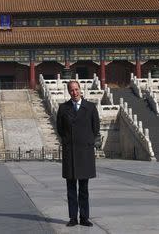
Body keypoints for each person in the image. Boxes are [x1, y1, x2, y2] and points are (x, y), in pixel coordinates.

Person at [56, 80, 100, 227]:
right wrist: (68, 141)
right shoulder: (63, 108)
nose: (74, 93)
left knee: (84, 188)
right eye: (71, 90)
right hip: (70, 152)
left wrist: (87, 141)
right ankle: (73, 218)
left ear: (80, 90)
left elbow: (95, 128)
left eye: (76, 89)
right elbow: (60, 129)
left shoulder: (91, 107)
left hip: (84, 152)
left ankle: (84, 217)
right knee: (70, 188)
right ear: (69, 92)